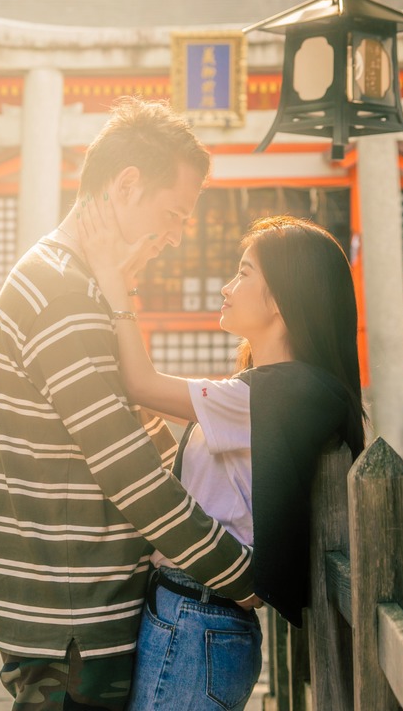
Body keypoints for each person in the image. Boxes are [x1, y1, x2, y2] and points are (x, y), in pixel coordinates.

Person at [0, 97, 259, 711]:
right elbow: (126, 467)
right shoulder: (61, 292)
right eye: (173, 214)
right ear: (127, 185)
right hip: (72, 612)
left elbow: (137, 430)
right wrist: (242, 575)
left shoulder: (77, 280)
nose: (177, 236)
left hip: (67, 601)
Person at [77, 208, 367, 711]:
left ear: (282, 297)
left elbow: (139, 385)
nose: (227, 286)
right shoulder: (271, 393)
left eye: (245, 272)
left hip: (197, 622)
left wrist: (114, 283)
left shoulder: (277, 393)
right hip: (194, 618)